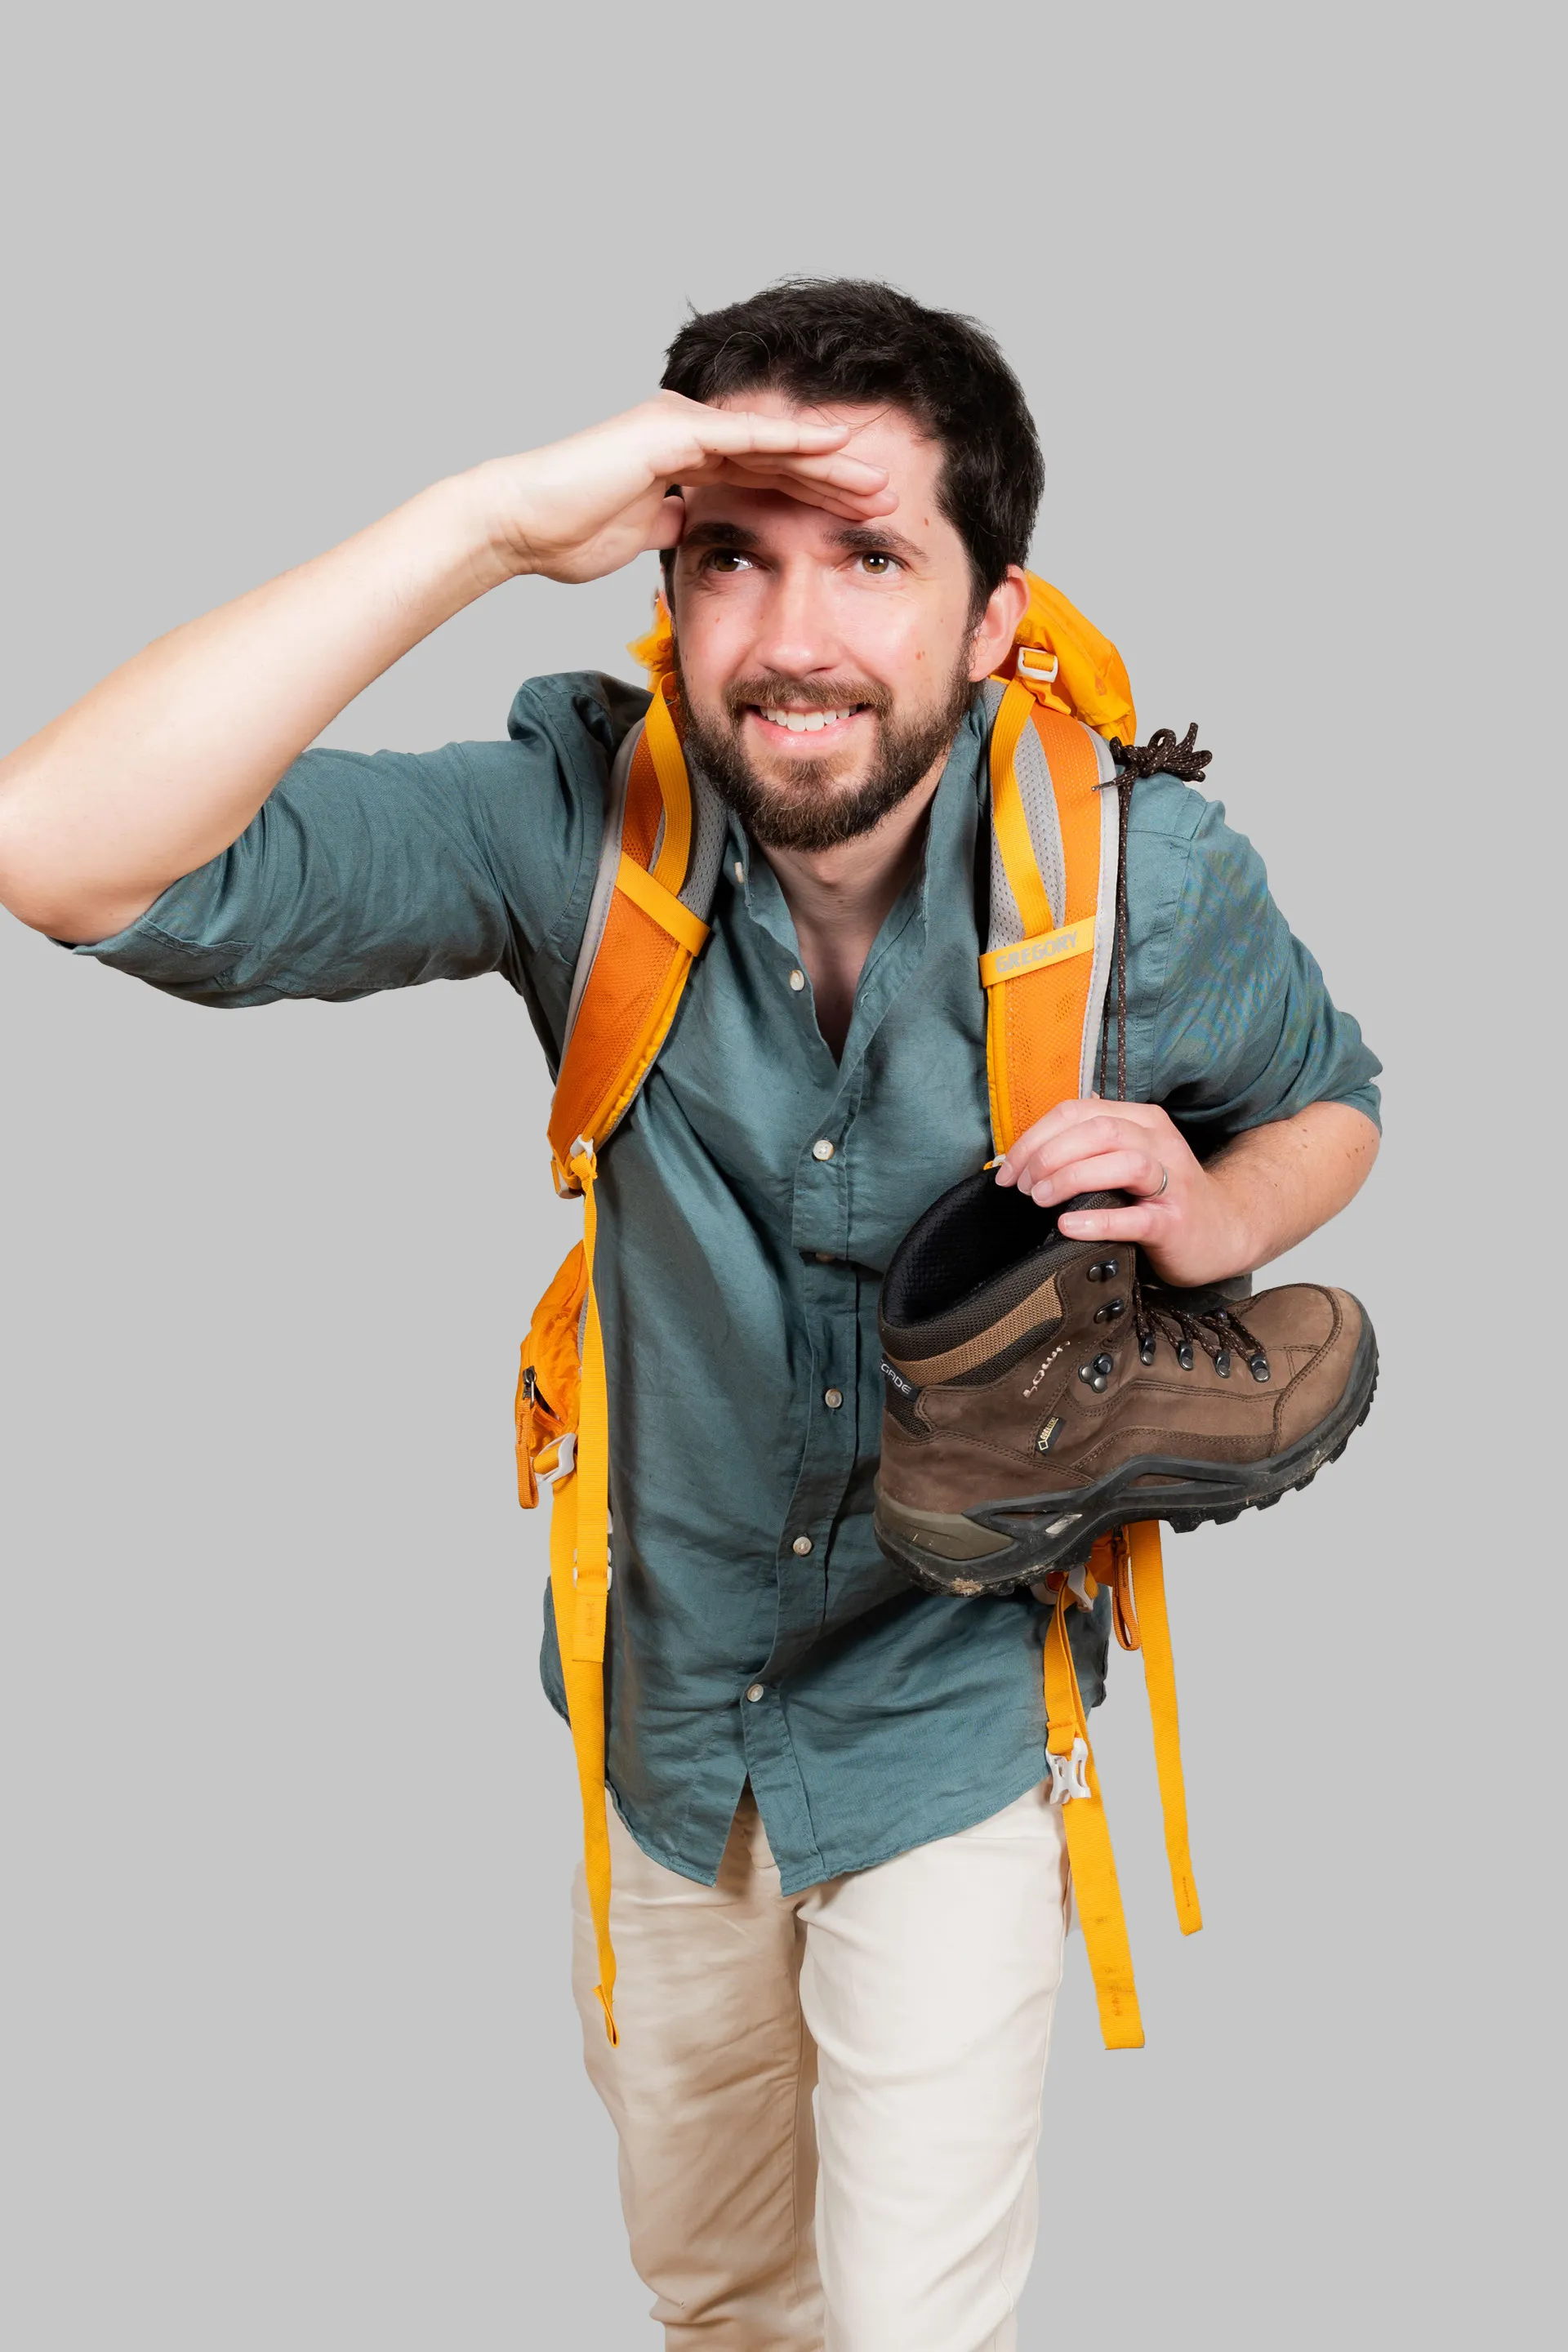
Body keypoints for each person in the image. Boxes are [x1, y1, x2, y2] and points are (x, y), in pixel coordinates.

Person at [0, 278, 1380, 2351]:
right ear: (662, 574)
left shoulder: (1140, 881)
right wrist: (480, 523)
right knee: (723, 2302)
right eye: (729, 552)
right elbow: (61, 850)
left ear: (997, 616)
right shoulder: (586, 823)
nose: (794, 636)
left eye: (872, 558)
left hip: (956, 1717)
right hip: (662, 1733)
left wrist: (1210, 1207)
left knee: (908, 2327)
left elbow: (1335, 1104)